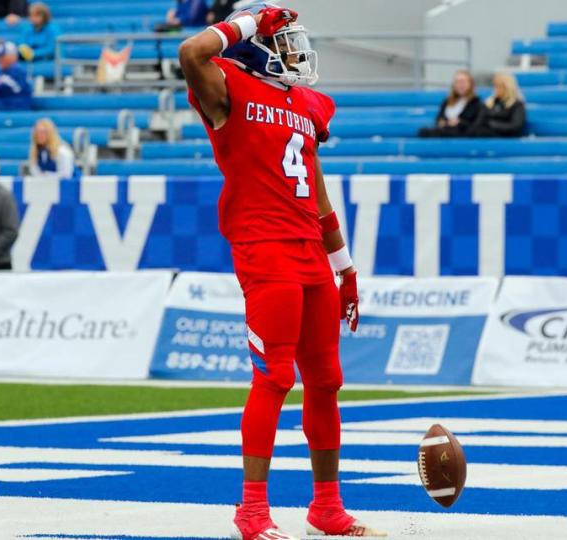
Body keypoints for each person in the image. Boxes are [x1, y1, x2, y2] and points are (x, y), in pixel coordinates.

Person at [180, 4, 383, 538]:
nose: (295, 49)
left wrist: (344, 265)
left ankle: (327, 507)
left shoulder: (309, 104)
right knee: (274, 377)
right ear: (257, 46)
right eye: (284, 39)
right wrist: (252, 19)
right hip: (263, 245)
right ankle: (251, 510)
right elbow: (192, 51)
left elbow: (315, 186)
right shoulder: (226, 87)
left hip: (310, 250)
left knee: (327, 380)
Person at [417, 69, 482, 138]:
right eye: (458, 82)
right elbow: (439, 118)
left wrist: (459, 122)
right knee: (423, 131)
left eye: (463, 82)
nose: (460, 85)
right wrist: (442, 122)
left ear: (470, 84)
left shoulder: (476, 103)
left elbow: (475, 124)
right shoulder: (447, 101)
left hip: (461, 132)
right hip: (445, 130)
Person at [472, 72, 526, 137]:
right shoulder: (488, 103)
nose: (496, 89)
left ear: (507, 87)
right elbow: (479, 122)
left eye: (499, 86)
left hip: (505, 135)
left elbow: (516, 126)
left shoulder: (517, 104)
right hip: (485, 133)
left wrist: (493, 125)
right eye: (495, 86)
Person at [0, 40, 33, 111]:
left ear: (12, 56)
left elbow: (20, 93)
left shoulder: (19, 71)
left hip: (17, 112)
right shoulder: (0, 72)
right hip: (2, 110)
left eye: (3, 56)